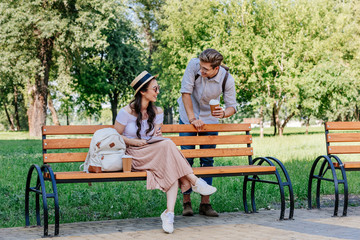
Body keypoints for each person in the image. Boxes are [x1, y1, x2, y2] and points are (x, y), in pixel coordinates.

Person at [114, 71, 217, 234]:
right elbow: (115, 136)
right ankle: (195, 182)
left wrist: (157, 137)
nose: (158, 92)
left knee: (169, 156)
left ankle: (169, 214)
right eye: (155, 89)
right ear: (142, 91)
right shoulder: (126, 112)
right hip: (133, 155)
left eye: (158, 88)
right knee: (168, 145)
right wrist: (134, 141)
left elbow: (155, 136)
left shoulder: (158, 112)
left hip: (152, 151)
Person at [177, 48, 238, 217]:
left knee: (207, 159)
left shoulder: (227, 79)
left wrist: (224, 113)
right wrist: (192, 119)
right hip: (188, 114)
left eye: (205, 69)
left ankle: (205, 203)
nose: (201, 71)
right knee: (186, 159)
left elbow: (232, 106)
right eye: (201, 67)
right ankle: (186, 202)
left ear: (216, 68)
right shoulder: (193, 65)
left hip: (209, 119)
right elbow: (185, 93)